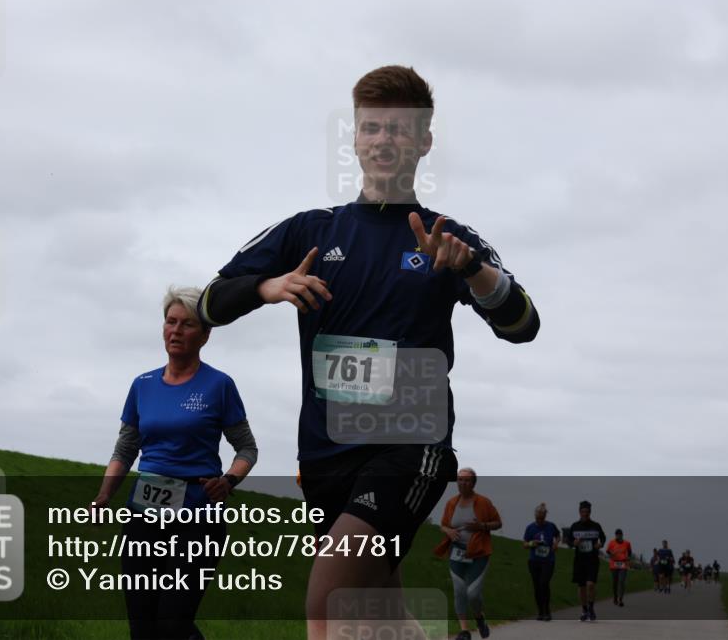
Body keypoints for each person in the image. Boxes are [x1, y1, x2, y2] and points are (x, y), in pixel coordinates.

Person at [196, 65, 540, 640]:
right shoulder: (309, 230)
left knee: (330, 601)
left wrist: (473, 271)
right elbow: (207, 303)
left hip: (412, 447)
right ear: (355, 139)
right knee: (379, 621)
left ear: (424, 142)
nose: (384, 140)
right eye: (371, 128)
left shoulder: (450, 237)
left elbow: (522, 325)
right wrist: (266, 287)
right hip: (326, 458)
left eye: (400, 130)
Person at [92, 287, 258, 640]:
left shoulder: (219, 385)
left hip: (198, 518)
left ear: (206, 334)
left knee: (173, 623)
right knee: (142, 624)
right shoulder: (143, 385)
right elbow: (125, 449)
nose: (176, 331)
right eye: (170, 322)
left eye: (187, 324)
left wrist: (228, 480)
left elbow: (246, 448)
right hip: (144, 516)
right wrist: (104, 496)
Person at [434, 468, 502, 640]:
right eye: (460, 480)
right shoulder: (451, 503)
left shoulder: (483, 502)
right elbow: (443, 524)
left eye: (466, 480)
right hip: (456, 552)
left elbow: (498, 523)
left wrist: (482, 526)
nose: (462, 483)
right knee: (459, 591)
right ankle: (464, 631)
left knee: (473, 594)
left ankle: (479, 618)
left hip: (478, 553)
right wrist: (448, 531)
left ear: (473, 483)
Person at [568, 500, 606, 622]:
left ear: (590, 512)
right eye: (582, 511)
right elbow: (568, 541)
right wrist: (573, 543)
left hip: (592, 560)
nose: (584, 514)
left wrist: (600, 544)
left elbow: (603, 538)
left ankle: (591, 608)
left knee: (590, 584)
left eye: (587, 512)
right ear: (579, 512)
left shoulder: (596, 525)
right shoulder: (574, 526)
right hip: (579, 560)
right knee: (582, 587)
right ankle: (584, 610)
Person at [523, 502, 561, 622]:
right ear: (535, 516)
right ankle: (540, 611)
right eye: (537, 518)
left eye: (541, 518)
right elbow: (524, 544)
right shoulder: (530, 528)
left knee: (544, 583)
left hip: (548, 560)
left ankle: (547, 610)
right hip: (534, 561)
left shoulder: (551, 526)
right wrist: (531, 543)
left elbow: (558, 535)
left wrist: (555, 543)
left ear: (545, 516)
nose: (539, 520)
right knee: (537, 586)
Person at [606, 529, 632, 607]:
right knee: (615, 582)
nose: (618, 536)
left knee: (621, 581)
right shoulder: (611, 542)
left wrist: (628, 557)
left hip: (623, 563)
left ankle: (620, 599)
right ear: (615, 535)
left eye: (619, 534)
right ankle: (615, 597)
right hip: (614, 563)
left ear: (622, 535)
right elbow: (607, 551)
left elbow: (630, 552)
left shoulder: (627, 543)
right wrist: (611, 553)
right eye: (617, 534)